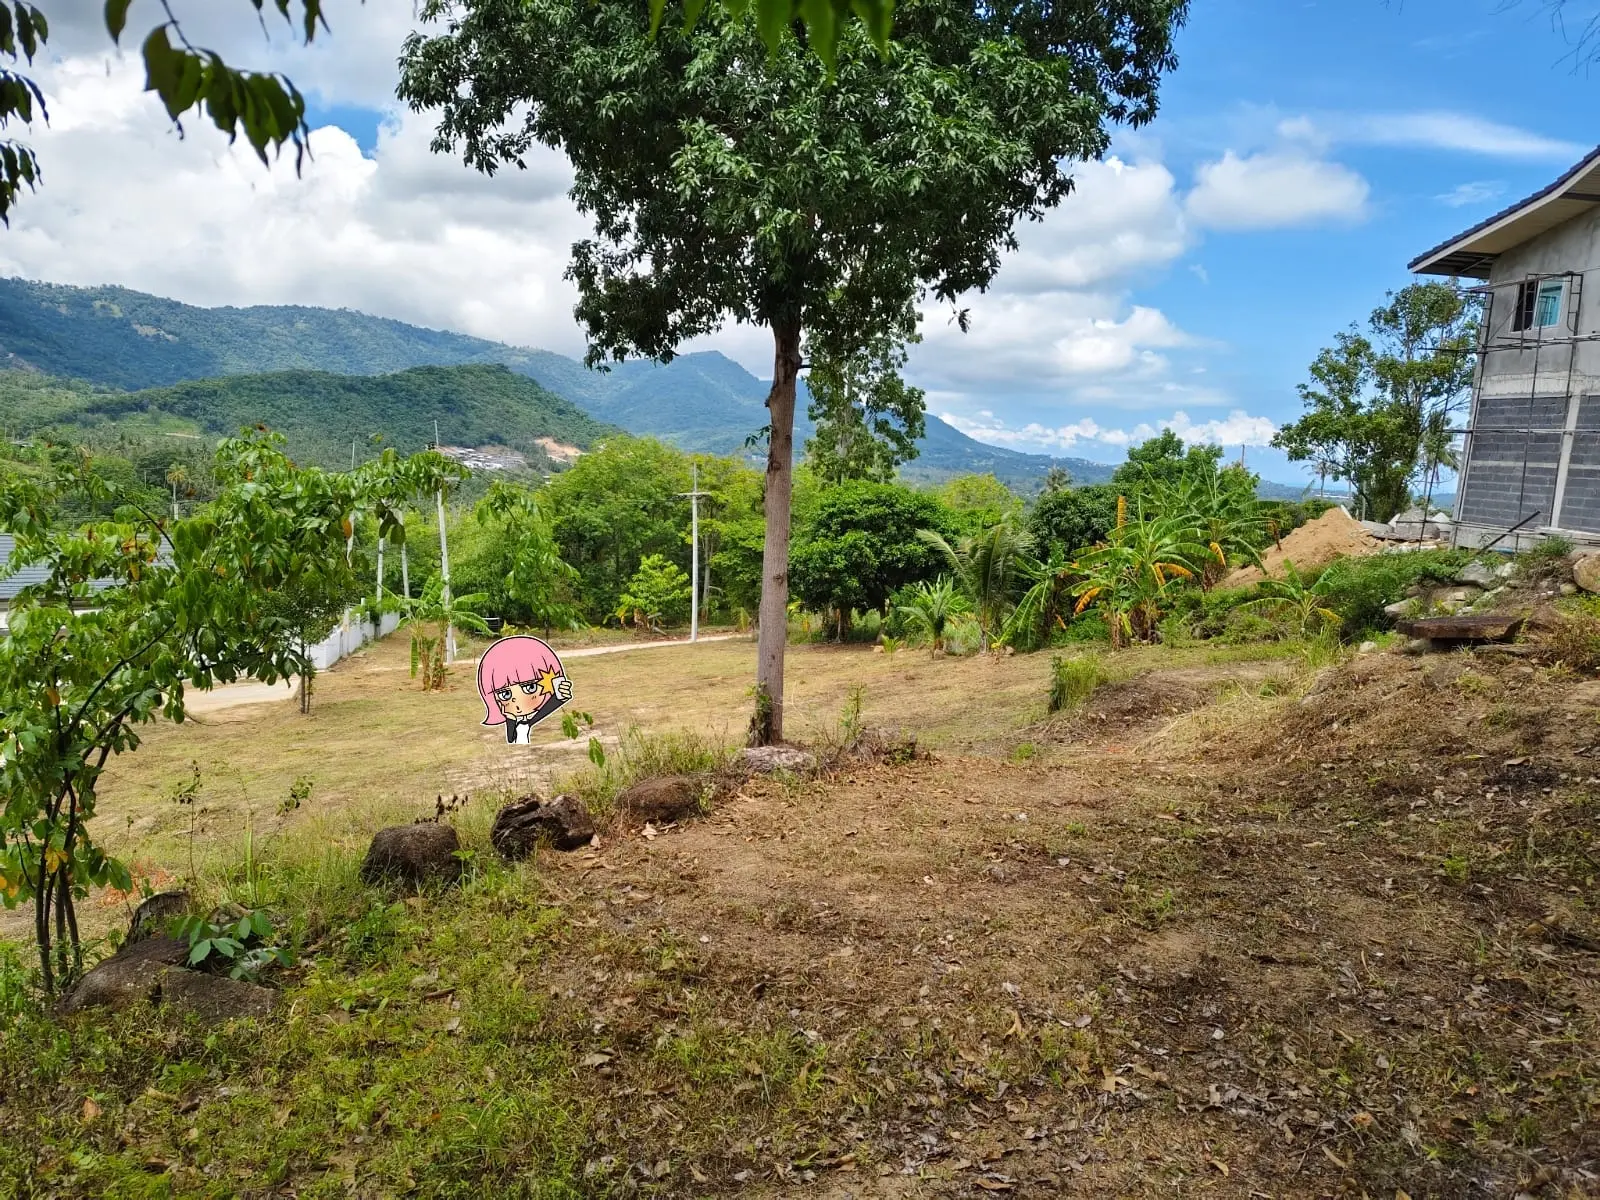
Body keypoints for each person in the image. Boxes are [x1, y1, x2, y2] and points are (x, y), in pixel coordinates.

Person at [476, 635, 574, 745]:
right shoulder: (519, 723)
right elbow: (511, 740)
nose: (517, 703)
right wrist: (510, 720)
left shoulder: (531, 722)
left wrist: (560, 697)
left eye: (530, 687)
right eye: (505, 694)